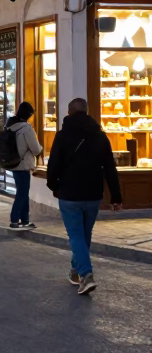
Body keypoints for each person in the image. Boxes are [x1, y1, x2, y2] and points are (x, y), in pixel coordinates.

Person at [46, 97, 122, 295]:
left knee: (76, 235)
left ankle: (86, 274)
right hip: (93, 194)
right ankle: (75, 271)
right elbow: (110, 169)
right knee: (84, 234)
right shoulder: (100, 136)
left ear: (69, 112)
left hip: (70, 194)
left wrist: (53, 185)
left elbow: (53, 164)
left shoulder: (62, 136)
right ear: (87, 112)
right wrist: (116, 196)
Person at [6, 102, 43, 231]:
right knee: (22, 193)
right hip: (23, 164)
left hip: (14, 163)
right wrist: (41, 148)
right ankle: (14, 219)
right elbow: (36, 149)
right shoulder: (26, 128)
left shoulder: (10, 126)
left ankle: (25, 220)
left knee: (23, 192)